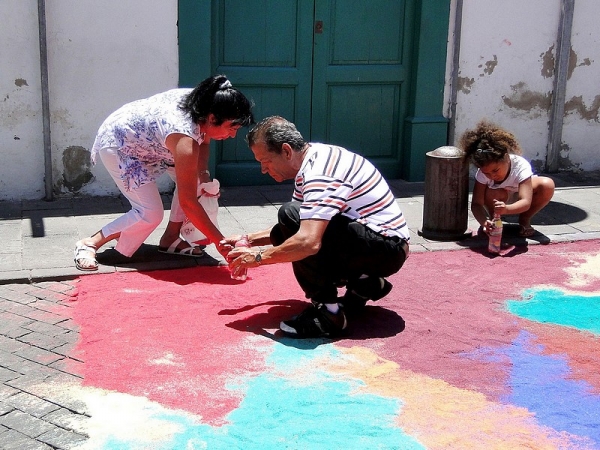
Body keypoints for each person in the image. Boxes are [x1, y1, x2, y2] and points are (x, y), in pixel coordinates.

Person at [222, 116, 410, 338]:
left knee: (291, 216)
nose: (263, 169)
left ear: (286, 151)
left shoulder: (320, 172)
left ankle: (328, 314)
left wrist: (256, 257)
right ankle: (365, 282)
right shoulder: (315, 159)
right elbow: (299, 225)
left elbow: (307, 241)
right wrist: (249, 238)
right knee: (293, 216)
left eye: (266, 161)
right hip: (386, 246)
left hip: (386, 249)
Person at [74, 75, 254, 271]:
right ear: (212, 118)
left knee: (194, 182)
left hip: (153, 141)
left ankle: (170, 238)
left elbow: (205, 139)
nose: (233, 135)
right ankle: (89, 243)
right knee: (150, 213)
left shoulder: (207, 103)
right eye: (231, 127)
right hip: (121, 144)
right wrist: (221, 243)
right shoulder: (184, 136)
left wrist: (203, 175)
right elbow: (188, 202)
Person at [460, 120, 555, 238]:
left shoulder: (520, 166)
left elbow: (525, 202)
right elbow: (476, 204)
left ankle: (524, 220)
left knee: (547, 185)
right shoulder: (482, 173)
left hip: (517, 197)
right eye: (487, 173)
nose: (492, 176)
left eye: (495, 170)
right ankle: (493, 220)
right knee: (493, 191)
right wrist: (483, 223)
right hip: (497, 198)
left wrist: (507, 209)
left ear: (506, 158)